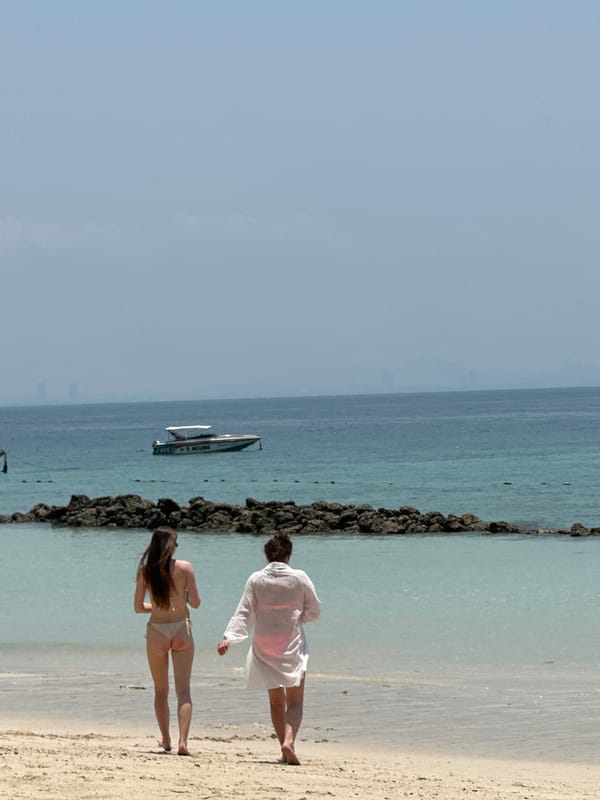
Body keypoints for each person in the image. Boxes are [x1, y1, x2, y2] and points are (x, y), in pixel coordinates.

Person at [217, 532, 320, 765]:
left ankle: (283, 747)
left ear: (266, 556)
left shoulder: (255, 579)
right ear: (289, 555)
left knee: (276, 701)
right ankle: (289, 742)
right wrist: (299, 616)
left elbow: (243, 612)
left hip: (264, 644)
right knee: (295, 701)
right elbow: (314, 610)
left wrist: (229, 638)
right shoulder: (299, 577)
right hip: (291, 642)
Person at [134, 526, 200, 756]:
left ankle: (166, 739)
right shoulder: (185, 568)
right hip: (182, 629)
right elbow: (197, 603)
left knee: (161, 691)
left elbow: (138, 607)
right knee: (184, 691)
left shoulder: (145, 572)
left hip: (157, 632)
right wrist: (184, 599)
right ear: (171, 547)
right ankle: (183, 742)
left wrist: (158, 605)